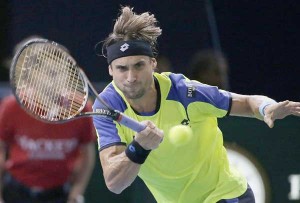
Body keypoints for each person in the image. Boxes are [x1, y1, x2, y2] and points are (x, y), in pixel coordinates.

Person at [92, 6, 300, 203]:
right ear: (111, 70)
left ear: (153, 63)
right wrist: (139, 147)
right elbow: (114, 183)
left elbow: (247, 102)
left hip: (225, 195)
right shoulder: (106, 106)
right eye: (122, 68)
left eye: (139, 65)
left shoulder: (185, 92)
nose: (131, 77)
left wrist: (266, 108)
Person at [0, 94, 96, 203]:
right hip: (16, 191)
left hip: (59, 193)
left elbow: (87, 155)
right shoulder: (12, 105)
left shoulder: (81, 108)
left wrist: (76, 193)